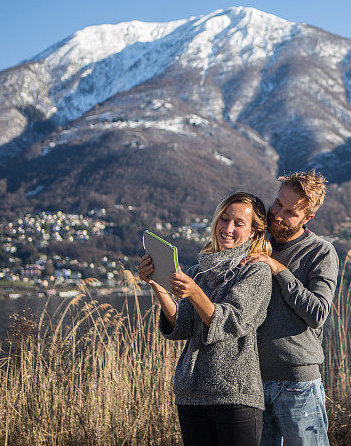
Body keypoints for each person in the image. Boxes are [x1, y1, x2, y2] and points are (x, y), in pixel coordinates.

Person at [137, 192, 273, 446]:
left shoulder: (256, 270)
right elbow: (181, 326)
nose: (228, 228)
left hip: (236, 394)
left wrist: (195, 293)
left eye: (239, 223)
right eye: (224, 219)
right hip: (191, 394)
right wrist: (157, 284)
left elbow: (232, 322)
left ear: (255, 232)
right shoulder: (197, 272)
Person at [242, 171, 339, 446]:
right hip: (251, 381)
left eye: (290, 212)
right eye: (277, 204)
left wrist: (279, 269)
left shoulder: (321, 252)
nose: (278, 215)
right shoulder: (257, 243)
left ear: (308, 218)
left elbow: (318, 313)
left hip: (297, 383)